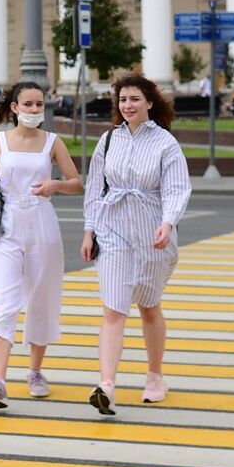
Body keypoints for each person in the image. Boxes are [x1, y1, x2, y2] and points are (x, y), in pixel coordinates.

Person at [80, 74, 190, 416]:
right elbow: (96, 188)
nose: (128, 105)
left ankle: (155, 375)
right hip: (113, 231)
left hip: (152, 234)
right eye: (123, 100)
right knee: (113, 309)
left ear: (149, 103)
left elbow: (176, 188)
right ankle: (107, 386)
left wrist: (168, 223)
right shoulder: (108, 140)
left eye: (134, 99)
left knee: (148, 307)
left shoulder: (165, 143)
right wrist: (89, 230)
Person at [0, 82, 84, 409]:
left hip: (42, 225)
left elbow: (77, 183)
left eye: (39, 104)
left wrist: (56, 184)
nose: (35, 110)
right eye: (29, 104)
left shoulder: (53, 142)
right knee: (5, 300)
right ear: (14, 107)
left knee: (42, 298)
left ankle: (35, 372)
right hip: (7, 227)